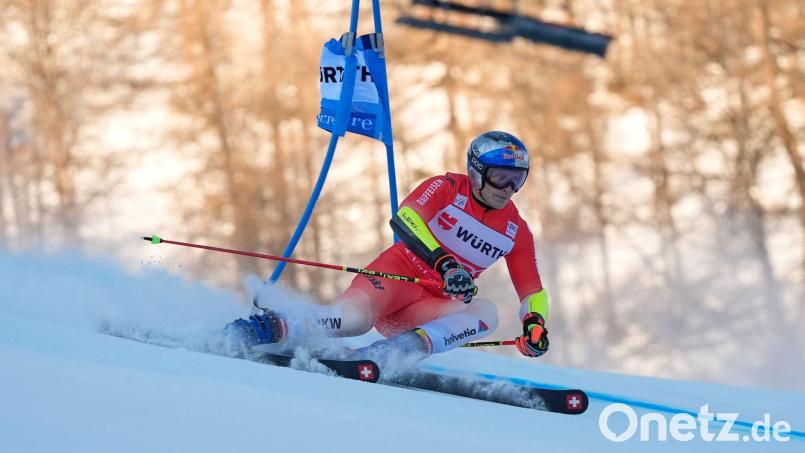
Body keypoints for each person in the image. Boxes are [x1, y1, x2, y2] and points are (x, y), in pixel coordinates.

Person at [227, 131, 550, 362]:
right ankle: (264, 326)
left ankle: (399, 351)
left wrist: (534, 324)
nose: (508, 188)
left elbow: (532, 291)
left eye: (517, 179)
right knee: (353, 322)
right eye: (500, 177)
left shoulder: (515, 231)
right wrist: (446, 265)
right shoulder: (447, 187)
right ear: (477, 172)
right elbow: (406, 218)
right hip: (394, 278)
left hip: (426, 309)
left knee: (486, 313)